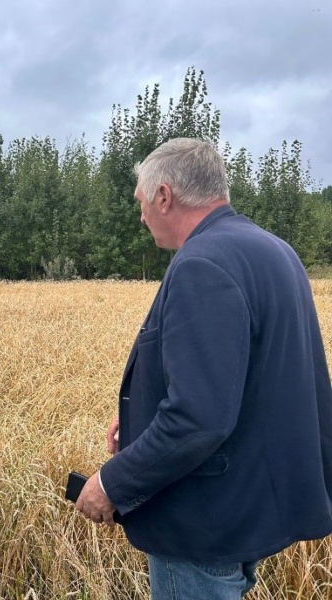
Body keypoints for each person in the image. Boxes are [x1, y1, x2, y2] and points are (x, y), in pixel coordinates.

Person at [75, 138, 332, 598]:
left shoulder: (203, 264)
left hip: (203, 521)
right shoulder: (275, 252)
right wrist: (140, 416)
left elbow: (198, 418)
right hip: (250, 507)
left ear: (165, 196)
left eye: (141, 202)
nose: (140, 216)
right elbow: (250, 381)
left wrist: (112, 484)